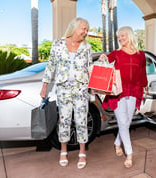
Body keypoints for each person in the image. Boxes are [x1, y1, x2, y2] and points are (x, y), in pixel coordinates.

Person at [40, 17, 92, 169]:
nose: (86, 32)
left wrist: (101, 62)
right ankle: (63, 151)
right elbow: (51, 66)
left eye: (87, 29)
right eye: (84, 28)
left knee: (81, 120)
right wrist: (44, 86)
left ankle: (82, 152)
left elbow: (90, 67)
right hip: (63, 88)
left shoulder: (86, 47)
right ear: (74, 27)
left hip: (81, 88)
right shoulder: (58, 44)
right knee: (64, 120)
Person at [99, 26, 148, 168]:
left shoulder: (141, 55)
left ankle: (117, 143)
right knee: (122, 122)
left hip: (134, 90)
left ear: (130, 36)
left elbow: (142, 73)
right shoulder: (116, 53)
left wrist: (144, 87)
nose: (120, 39)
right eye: (119, 36)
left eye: (123, 36)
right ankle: (130, 154)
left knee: (126, 122)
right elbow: (106, 61)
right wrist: (103, 57)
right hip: (118, 92)